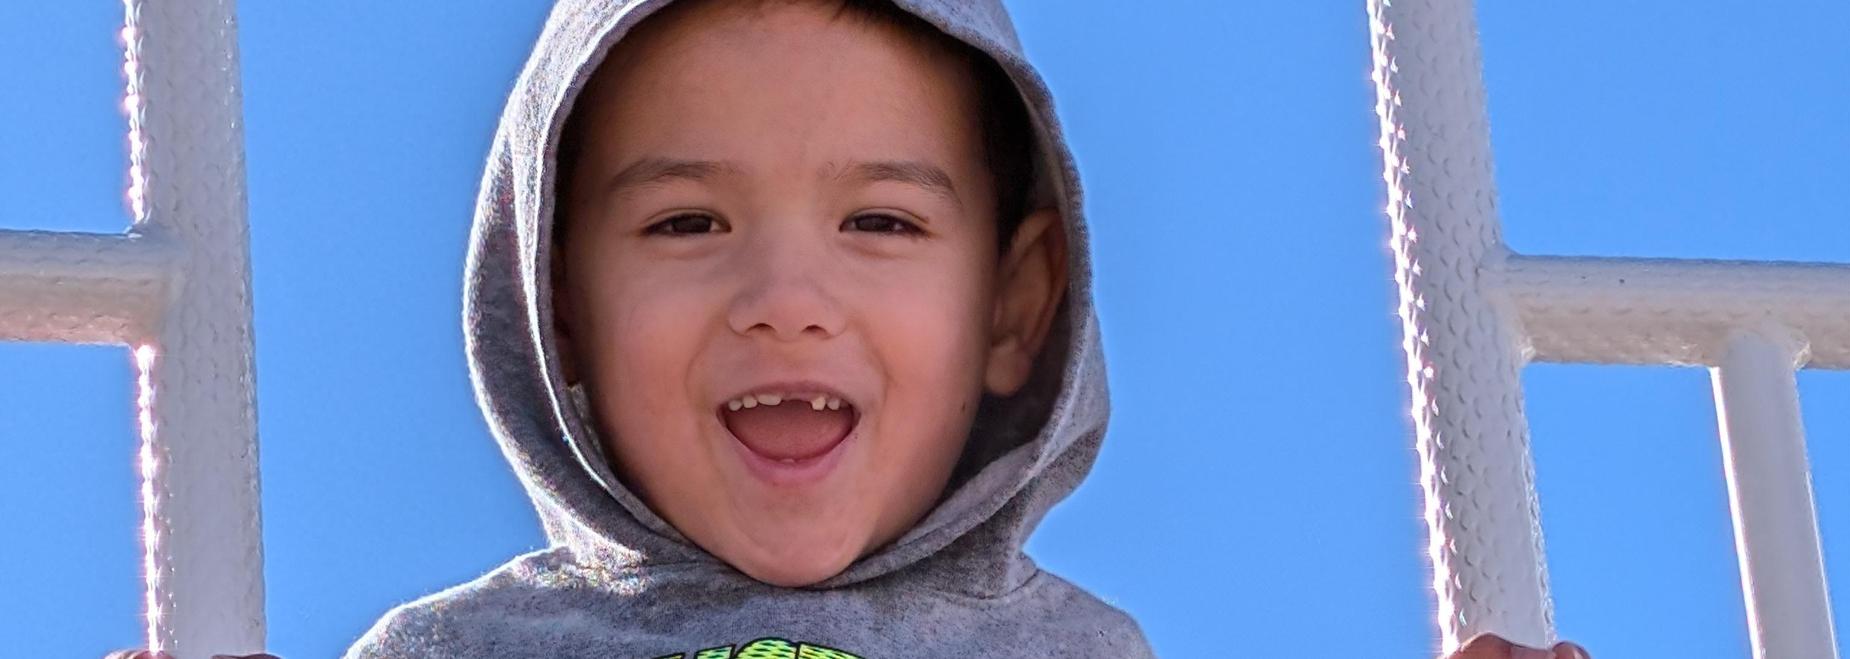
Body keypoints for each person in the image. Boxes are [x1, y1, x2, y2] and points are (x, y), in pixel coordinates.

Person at [112, 0, 1593, 656]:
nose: (785, 297)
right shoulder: (453, 655)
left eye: (880, 222)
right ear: (554, 313)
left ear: (1015, 311)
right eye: (686, 223)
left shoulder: (1081, 658)